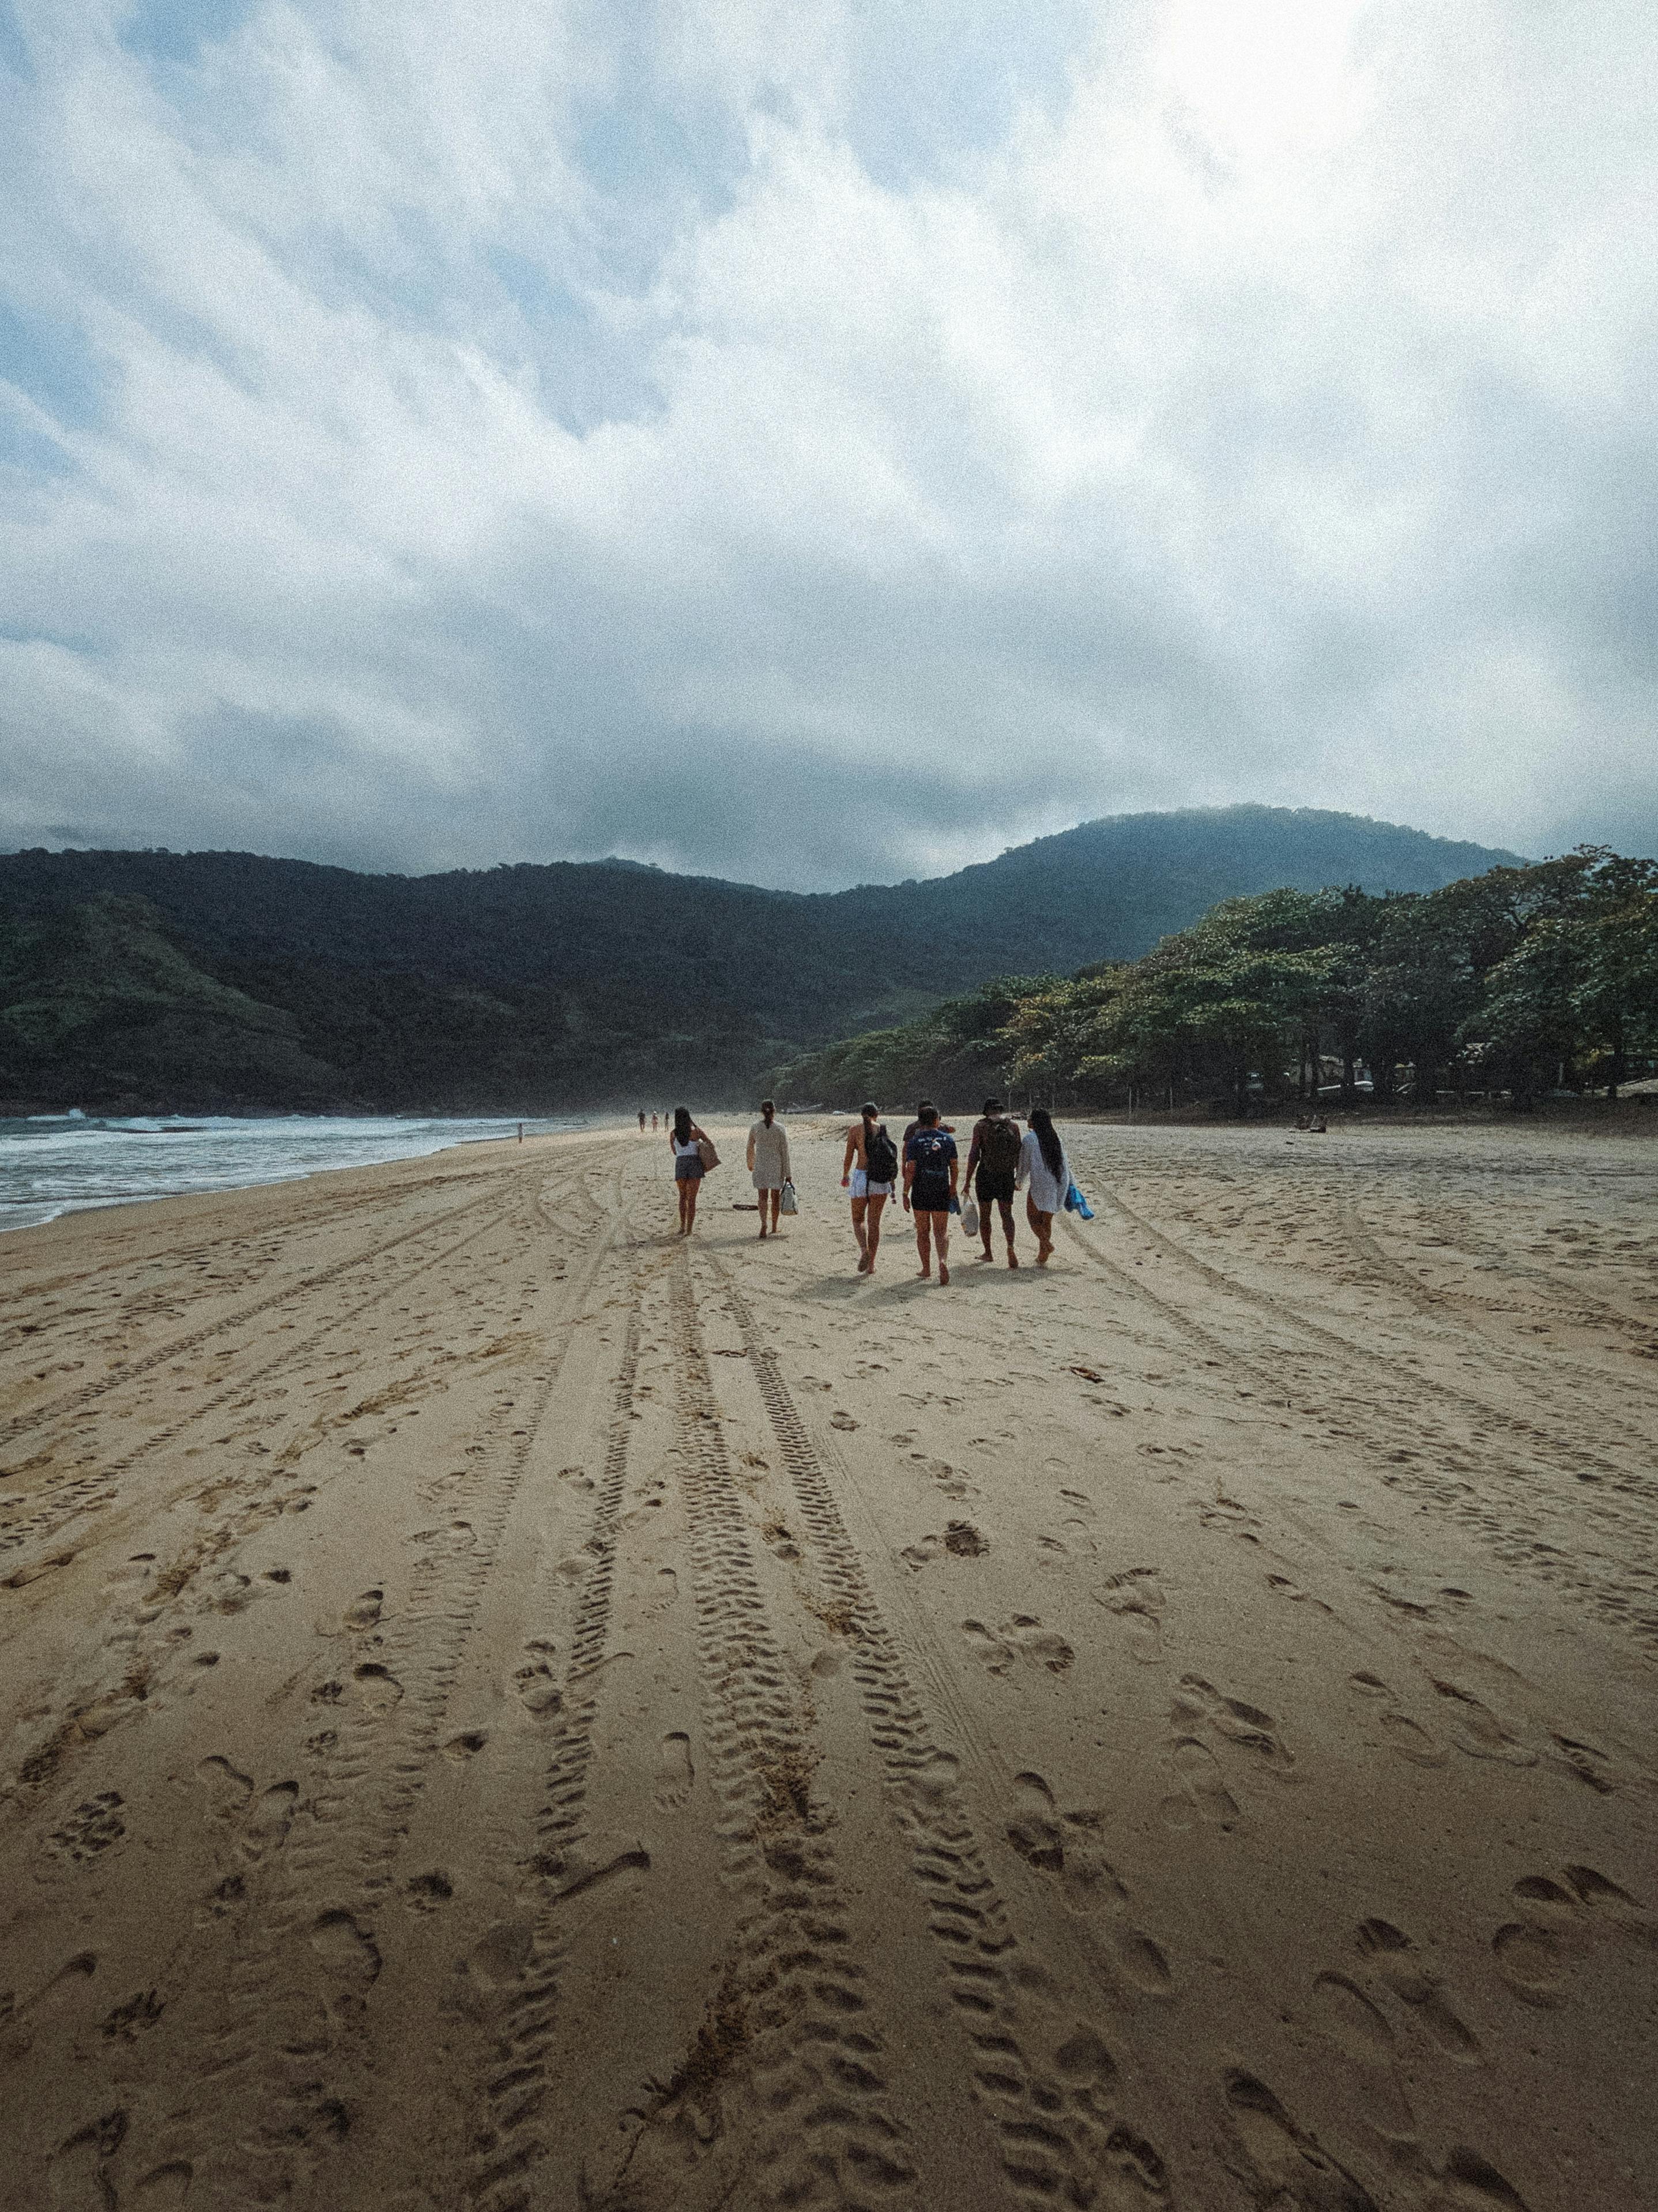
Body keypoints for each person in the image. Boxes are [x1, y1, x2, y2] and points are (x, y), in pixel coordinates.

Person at [965, 1096, 1022, 1267]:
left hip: (986, 1174)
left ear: (986, 1111)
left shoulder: (981, 1126)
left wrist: (967, 1180)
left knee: (985, 1215)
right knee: (1007, 1214)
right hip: (1006, 1175)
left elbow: (974, 1154)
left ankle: (988, 1252)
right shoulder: (1013, 1126)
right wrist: (1018, 1177)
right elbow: (1018, 1153)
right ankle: (1010, 1247)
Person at [904, 1103, 958, 1284]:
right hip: (941, 1187)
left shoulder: (915, 1141)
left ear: (920, 1122)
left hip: (920, 1190)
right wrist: (953, 1187)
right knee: (941, 1231)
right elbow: (954, 1167)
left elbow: (911, 1169)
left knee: (923, 1232)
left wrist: (905, 1192)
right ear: (937, 1121)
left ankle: (926, 1269)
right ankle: (942, 1261)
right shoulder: (948, 1140)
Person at [841, 1102, 898, 1274]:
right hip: (879, 1179)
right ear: (877, 1115)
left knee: (858, 1219)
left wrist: (845, 1175)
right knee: (874, 1223)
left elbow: (849, 1155)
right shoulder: (882, 1129)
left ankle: (864, 1250)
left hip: (861, 1176)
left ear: (862, 1115)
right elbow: (889, 1157)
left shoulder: (854, 1130)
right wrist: (892, 1180)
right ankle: (871, 1265)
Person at [1017, 1107, 1071, 1266]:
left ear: (1035, 1122)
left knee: (1033, 1219)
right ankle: (1043, 1255)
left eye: (1030, 1118)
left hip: (1041, 1182)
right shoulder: (1055, 1137)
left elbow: (1024, 1164)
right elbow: (1065, 1163)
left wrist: (1019, 1182)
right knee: (1046, 1220)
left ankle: (1047, 1245)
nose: (1027, 1120)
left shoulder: (1030, 1139)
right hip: (1059, 1181)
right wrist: (1070, 1183)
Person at [747, 1099, 792, 1239]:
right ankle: (774, 1226)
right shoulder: (780, 1128)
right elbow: (785, 1152)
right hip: (776, 1166)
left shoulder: (755, 1127)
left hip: (760, 1165)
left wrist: (750, 1164)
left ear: (761, 1112)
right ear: (774, 1111)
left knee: (762, 1197)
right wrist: (788, 1173)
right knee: (775, 1198)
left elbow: (750, 1147)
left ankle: (763, 1224)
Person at [669, 1105, 711, 1235]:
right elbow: (710, 1144)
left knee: (683, 1197)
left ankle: (682, 1226)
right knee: (692, 1200)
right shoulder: (696, 1132)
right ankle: (689, 1229)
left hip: (681, 1164)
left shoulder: (673, 1134)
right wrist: (698, 1147)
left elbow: (675, 1152)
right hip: (695, 1164)